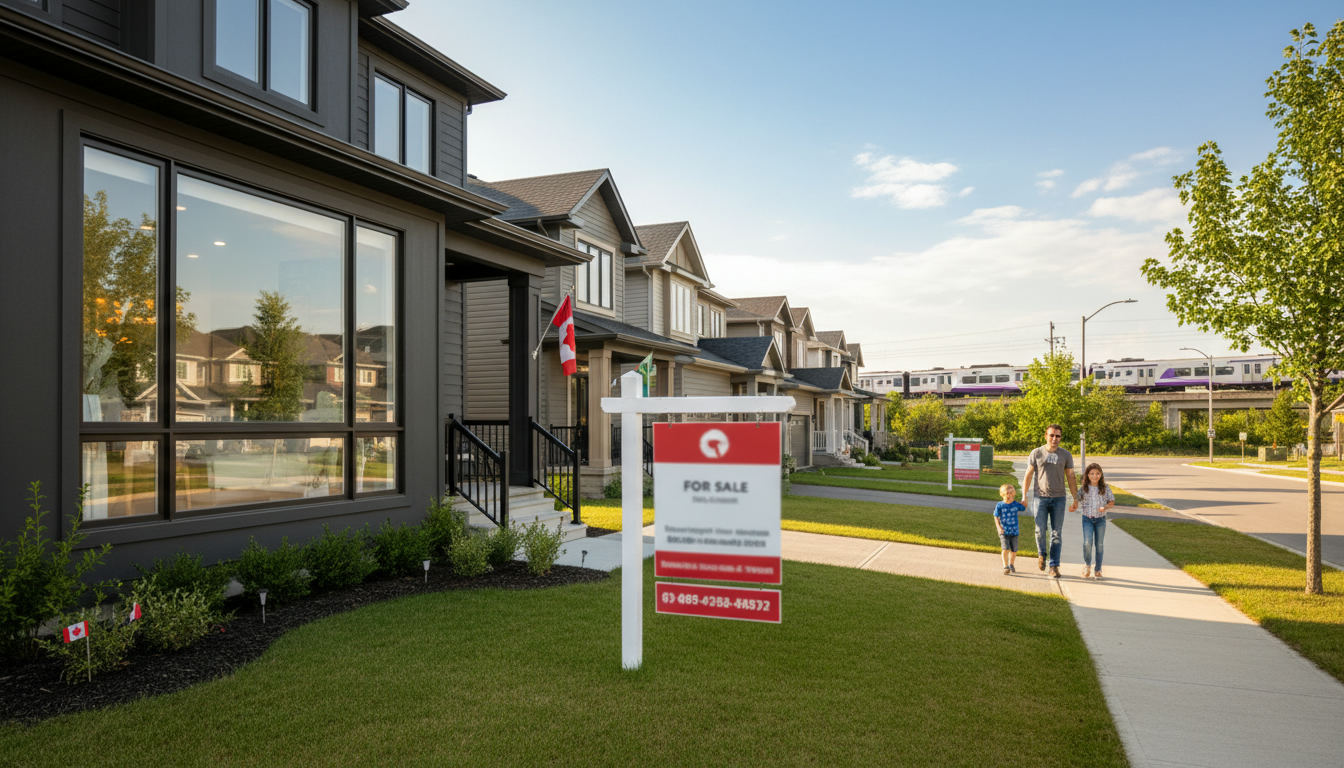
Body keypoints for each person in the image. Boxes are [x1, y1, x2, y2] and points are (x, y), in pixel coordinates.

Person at [1022, 424, 1077, 578]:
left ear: (1061, 437)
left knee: (1056, 533)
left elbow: (1071, 476)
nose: (1054, 438)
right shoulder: (1036, 453)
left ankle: (1054, 566)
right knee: (1040, 530)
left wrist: (1075, 498)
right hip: (1040, 498)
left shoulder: (1065, 455)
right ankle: (1042, 554)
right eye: (1052, 435)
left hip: (1059, 499)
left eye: (1058, 436)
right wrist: (1024, 495)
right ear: (1046, 436)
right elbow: (1028, 474)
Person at [1070, 462, 1115, 579]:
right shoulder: (1084, 489)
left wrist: (1104, 507)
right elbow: (1077, 500)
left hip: (1100, 520)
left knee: (1099, 545)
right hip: (1087, 519)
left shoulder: (1105, 488)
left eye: (1097, 473)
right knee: (1087, 542)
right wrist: (1074, 506)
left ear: (1101, 475)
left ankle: (1098, 569)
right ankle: (1087, 565)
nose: (1095, 476)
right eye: (1092, 473)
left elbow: (1111, 502)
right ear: (1087, 475)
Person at [993, 483, 1026, 575]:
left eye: (1011, 493)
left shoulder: (1016, 504)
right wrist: (999, 527)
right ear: (1002, 494)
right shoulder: (1000, 505)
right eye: (1007, 494)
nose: (1009, 496)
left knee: (1014, 550)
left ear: (1014, 494)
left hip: (1014, 531)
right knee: (1005, 549)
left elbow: (1023, 507)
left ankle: (1011, 564)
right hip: (1004, 531)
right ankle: (1006, 566)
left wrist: (1025, 499)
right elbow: (996, 516)